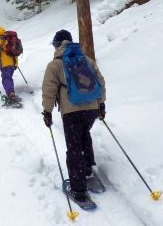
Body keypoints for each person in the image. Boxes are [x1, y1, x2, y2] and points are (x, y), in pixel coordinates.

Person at [41, 29, 106, 205]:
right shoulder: (86, 60)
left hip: (71, 110)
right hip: (91, 108)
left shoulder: (54, 65)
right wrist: (101, 105)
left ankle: (78, 190)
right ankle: (87, 171)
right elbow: (100, 82)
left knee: (74, 146)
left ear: (56, 46)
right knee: (85, 135)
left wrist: (47, 112)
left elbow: (49, 90)